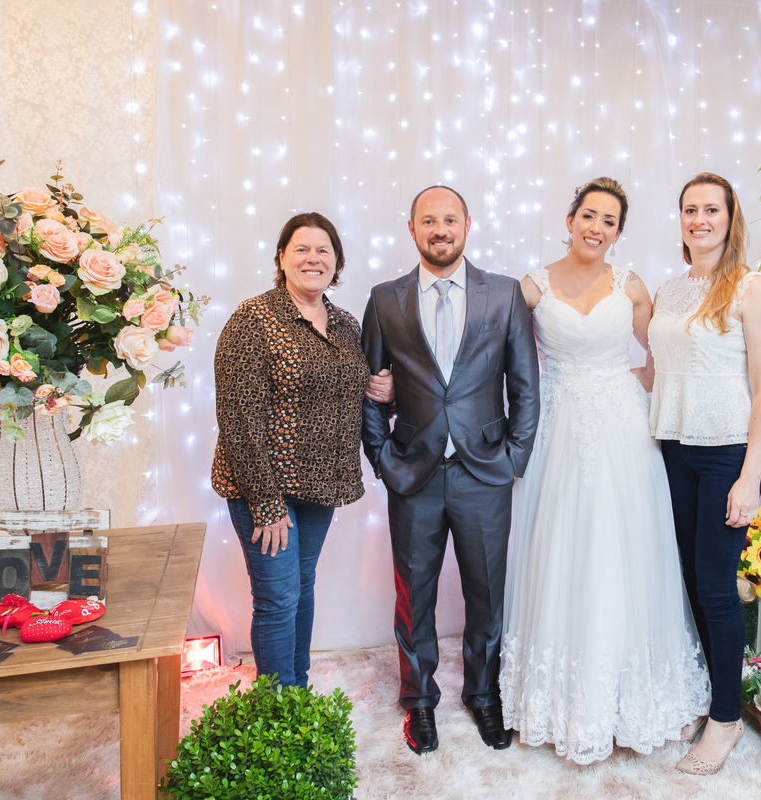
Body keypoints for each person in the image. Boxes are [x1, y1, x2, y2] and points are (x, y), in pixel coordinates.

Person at [501, 177, 711, 765]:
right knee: (565, 550)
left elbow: (665, 349)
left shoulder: (631, 284)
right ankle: (563, 700)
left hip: (623, 429)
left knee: (626, 550)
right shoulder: (532, 286)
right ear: (570, 220)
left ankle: (633, 696)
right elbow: (501, 359)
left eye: (609, 221)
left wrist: (647, 381)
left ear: (618, 232)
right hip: (558, 429)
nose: (597, 228)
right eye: (589, 216)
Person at [361, 185, 541, 755]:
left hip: (484, 472)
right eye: (428, 220)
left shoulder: (504, 294)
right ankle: (419, 700)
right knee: (413, 594)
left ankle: (483, 694)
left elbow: (526, 386)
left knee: (486, 592)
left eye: (449, 219)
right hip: (412, 472)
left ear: (467, 224)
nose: (439, 230)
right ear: (412, 228)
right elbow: (370, 388)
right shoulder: (384, 299)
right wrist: (382, 457)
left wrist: (515, 457)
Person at [212, 212, 394, 689]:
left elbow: (354, 388)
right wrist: (266, 504)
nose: (313, 259)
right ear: (281, 258)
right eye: (301, 249)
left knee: (302, 587)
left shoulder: (345, 324)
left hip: (320, 485)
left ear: (337, 262)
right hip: (263, 487)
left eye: (323, 250)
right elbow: (238, 418)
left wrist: (385, 389)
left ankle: (298, 691)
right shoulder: (253, 320)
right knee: (277, 597)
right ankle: (278, 707)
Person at [647, 173, 761, 774]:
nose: (699, 219)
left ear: (731, 219)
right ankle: (711, 695)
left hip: (727, 452)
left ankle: (727, 719)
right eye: (689, 209)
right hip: (673, 449)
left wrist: (751, 478)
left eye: (711, 209)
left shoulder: (752, 288)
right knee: (686, 581)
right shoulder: (670, 289)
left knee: (716, 587)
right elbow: (660, 370)